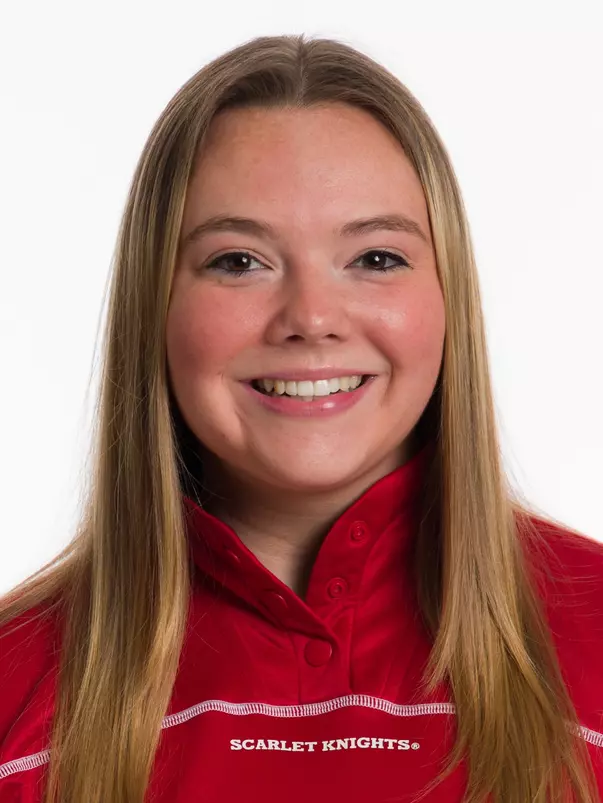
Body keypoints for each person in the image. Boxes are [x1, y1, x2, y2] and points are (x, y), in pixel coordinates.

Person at [0, 33, 602, 803]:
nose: (311, 318)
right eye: (238, 261)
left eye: (376, 258)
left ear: (448, 298)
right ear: (156, 306)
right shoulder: (17, 691)